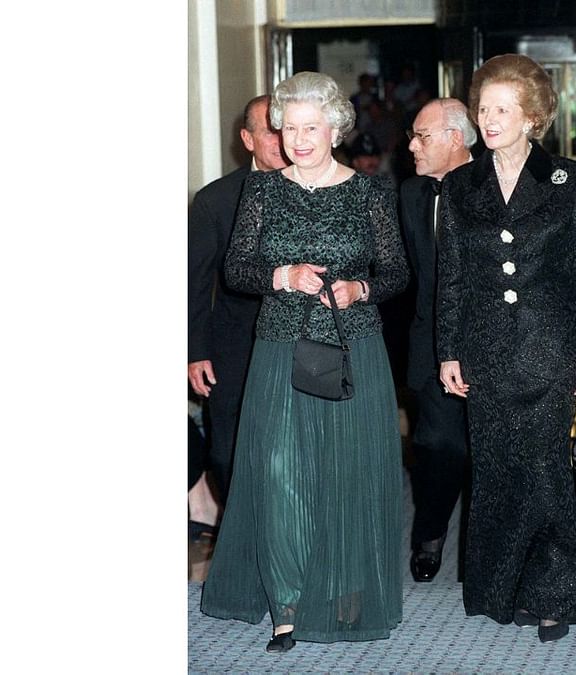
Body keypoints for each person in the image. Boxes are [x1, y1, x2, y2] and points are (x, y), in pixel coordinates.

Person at [199, 71, 409, 653]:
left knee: (345, 472)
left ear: (335, 128)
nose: (298, 139)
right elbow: (236, 270)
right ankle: (287, 604)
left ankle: (340, 590)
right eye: (289, 127)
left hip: (353, 348)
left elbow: (397, 274)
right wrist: (280, 275)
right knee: (281, 473)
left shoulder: (369, 193)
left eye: (310, 127)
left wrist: (358, 290)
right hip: (281, 346)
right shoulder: (262, 192)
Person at [435, 54, 576, 643]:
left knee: (543, 473)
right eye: (485, 108)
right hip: (485, 351)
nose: (489, 119)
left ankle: (553, 596)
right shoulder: (461, 185)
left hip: (550, 347)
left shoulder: (567, 179)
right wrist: (448, 349)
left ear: (532, 117)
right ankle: (500, 589)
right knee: (497, 471)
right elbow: (451, 274)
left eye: (503, 109)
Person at [188, 95, 288, 517]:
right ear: (248, 139)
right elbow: (193, 284)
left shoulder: (324, 191)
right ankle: (243, 530)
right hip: (235, 345)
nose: (283, 140)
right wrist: (196, 353)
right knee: (226, 456)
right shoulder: (215, 200)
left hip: (302, 343)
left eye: (289, 127)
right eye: (271, 130)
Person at [399, 98, 476, 582]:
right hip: (431, 347)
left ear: (455, 138)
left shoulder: (499, 186)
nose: (411, 145)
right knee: (436, 445)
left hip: (494, 347)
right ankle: (429, 533)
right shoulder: (410, 194)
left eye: (422, 136)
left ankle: (486, 551)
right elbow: (406, 276)